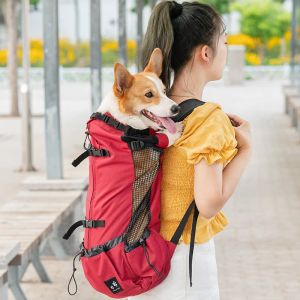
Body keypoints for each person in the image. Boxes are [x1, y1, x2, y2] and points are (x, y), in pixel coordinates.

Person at [128, 1, 252, 299]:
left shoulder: (150, 110)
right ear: (205, 53)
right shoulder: (207, 118)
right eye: (225, 41)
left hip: (140, 255)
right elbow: (209, 203)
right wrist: (246, 150)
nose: (226, 48)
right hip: (182, 264)